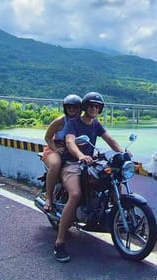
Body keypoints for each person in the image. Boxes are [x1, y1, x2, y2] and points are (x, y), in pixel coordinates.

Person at [53, 92, 126, 263]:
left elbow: (110, 139)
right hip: (72, 163)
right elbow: (70, 142)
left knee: (114, 182)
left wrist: (122, 153)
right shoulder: (73, 123)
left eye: (97, 106)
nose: (94, 108)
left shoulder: (96, 124)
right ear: (85, 107)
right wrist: (80, 155)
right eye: (91, 105)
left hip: (90, 163)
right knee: (75, 194)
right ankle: (59, 242)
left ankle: (112, 219)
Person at [41, 94, 82, 212]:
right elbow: (47, 137)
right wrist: (55, 149)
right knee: (55, 164)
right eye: (69, 107)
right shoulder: (60, 121)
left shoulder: (82, 121)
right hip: (55, 149)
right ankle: (48, 197)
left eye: (75, 107)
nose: (71, 109)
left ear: (80, 108)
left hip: (71, 150)